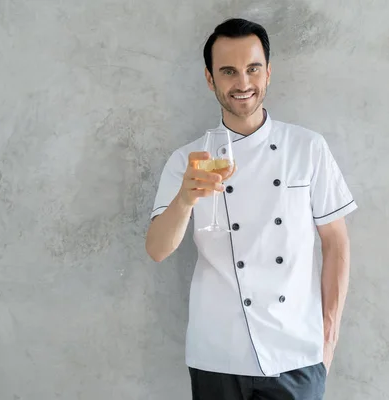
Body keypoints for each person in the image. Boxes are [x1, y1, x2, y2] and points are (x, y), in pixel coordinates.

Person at [145, 18, 357, 400]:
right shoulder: (188, 160)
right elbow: (158, 249)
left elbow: (336, 244)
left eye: (252, 68)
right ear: (210, 80)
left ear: (268, 73)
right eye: (228, 71)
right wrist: (185, 198)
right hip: (218, 356)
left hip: (298, 354)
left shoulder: (307, 148)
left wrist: (328, 336)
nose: (243, 83)